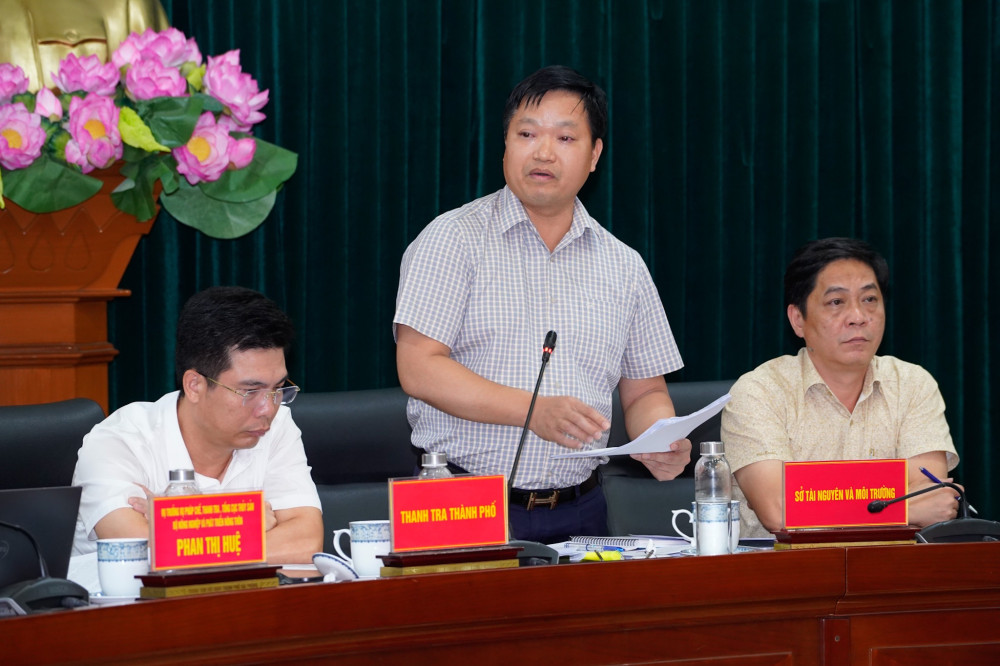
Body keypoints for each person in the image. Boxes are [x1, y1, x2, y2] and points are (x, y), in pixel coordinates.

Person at [394, 65, 691, 543]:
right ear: (505, 144)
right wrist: (532, 411)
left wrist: (661, 438)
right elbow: (419, 368)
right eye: (527, 134)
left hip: (582, 506)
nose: (543, 152)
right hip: (457, 497)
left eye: (566, 138)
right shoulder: (452, 239)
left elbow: (644, 392)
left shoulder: (624, 265)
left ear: (594, 155)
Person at [721, 237, 960, 538]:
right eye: (836, 302)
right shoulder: (760, 392)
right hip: (784, 564)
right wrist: (901, 509)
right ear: (798, 319)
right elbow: (779, 511)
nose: (858, 317)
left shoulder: (912, 384)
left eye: (869, 300)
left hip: (890, 563)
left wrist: (816, 503)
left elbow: (932, 500)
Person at [72, 286, 323, 563]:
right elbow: (138, 552)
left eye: (277, 388)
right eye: (250, 391)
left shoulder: (277, 426)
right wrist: (242, 520)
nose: (268, 409)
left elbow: (306, 542)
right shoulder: (118, 442)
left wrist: (178, 524)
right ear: (194, 385)